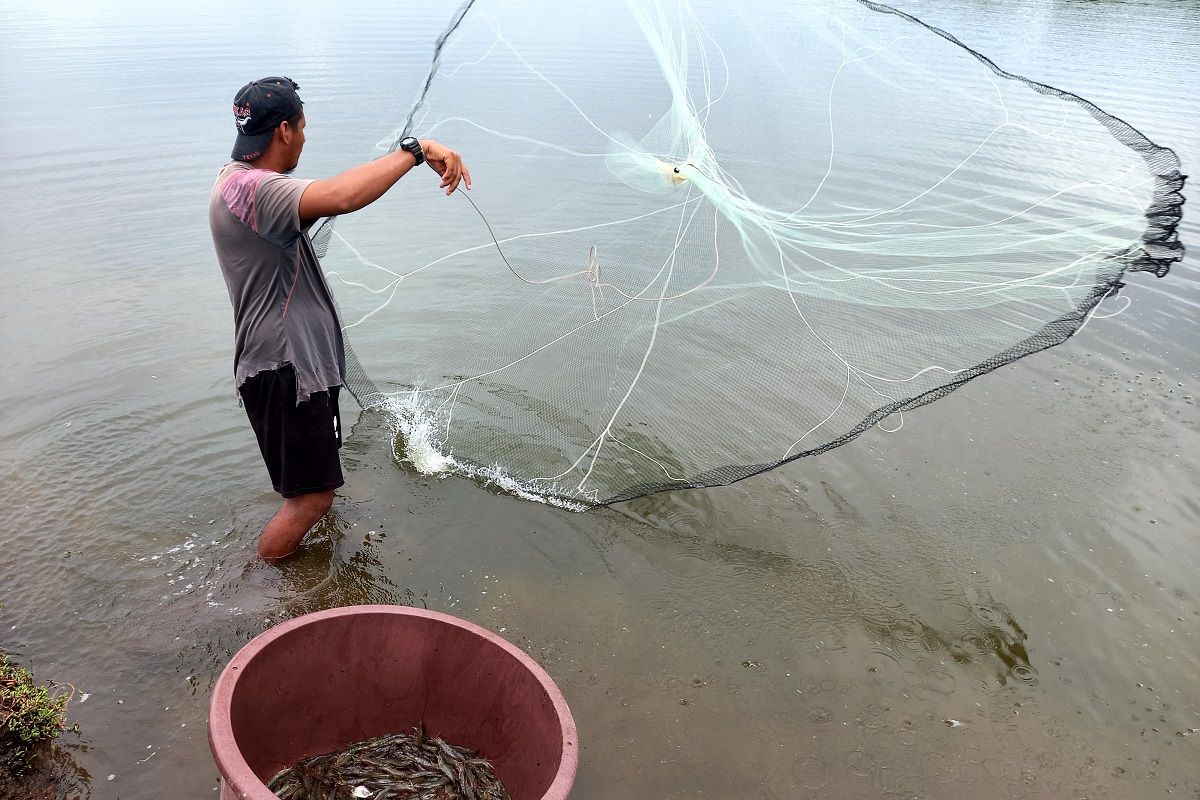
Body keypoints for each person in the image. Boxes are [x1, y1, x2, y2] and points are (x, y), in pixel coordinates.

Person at [208, 76, 470, 561]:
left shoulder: (234, 180)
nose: (306, 138)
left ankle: (306, 580)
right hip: (284, 370)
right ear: (284, 130)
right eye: (303, 128)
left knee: (314, 492)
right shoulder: (255, 191)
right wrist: (416, 150)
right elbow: (343, 196)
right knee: (309, 500)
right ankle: (266, 594)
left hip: (295, 369)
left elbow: (328, 194)